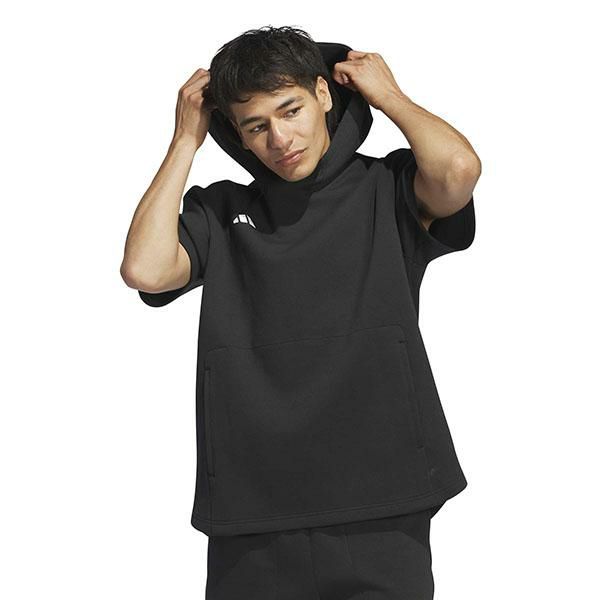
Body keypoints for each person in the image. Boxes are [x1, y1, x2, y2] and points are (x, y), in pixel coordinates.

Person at [120, 25, 480, 600]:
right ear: (236, 134)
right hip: (252, 507)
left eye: (291, 110)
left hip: (383, 497)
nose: (280, 138)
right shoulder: (221, 210)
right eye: (255, 126)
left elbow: (458, 171)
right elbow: (146, 269)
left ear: (323, 93)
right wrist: (186, 140)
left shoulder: (388, 187)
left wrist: (389, 95)